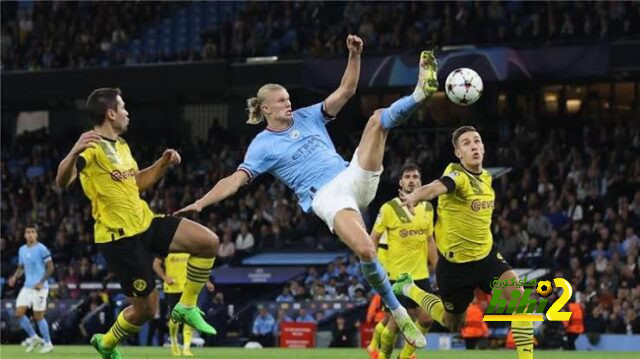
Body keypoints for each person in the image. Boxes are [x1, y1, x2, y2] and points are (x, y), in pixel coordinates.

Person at [176, 35, 439, 348]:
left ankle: (421, 93)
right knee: (367, 251)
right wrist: (202, 202)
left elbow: (346, 91)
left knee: (376, 120)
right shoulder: (261, 146)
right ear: (265, 108)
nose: (289, 104)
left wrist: (354, 55)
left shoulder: (308, 115)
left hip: (351, 175)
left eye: (289, 99)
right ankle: (398, 311)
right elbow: (235, 180)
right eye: (283, 101)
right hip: (327, 197)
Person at [55, 88, 220, 359]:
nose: (127, 113)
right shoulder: (92, 148)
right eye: (123, 108)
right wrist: (73, 151)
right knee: (147, 310)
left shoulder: (121, 146)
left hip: (145, 223)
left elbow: (137, 183)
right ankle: (106, 343)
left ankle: (187, 305)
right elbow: (62, 181)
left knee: (208, 242)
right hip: (119, 239)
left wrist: (163, 162)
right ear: (110, 113)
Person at [397, 126, 535, 359]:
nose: (474, 146)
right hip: (455, 268)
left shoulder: (488, 178)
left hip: (487, 257)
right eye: (466, 143)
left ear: (483, 147)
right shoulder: (457, 175)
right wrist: (414, 196)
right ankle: (410, 288)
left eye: (477, 141)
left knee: (520, 300)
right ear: (458, 153)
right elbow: (436, 187)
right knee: (453, 324)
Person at [370, 164, 438, 359]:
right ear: (400, 182)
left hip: (421, 275)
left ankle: (405, 356)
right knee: (395, 322)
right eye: (407, 177)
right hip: (397, 276)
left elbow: (429, 239)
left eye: (415, 177)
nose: (411, 180)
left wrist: (438, 269)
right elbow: (373, 238)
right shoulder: (389, 208)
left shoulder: (428, 207)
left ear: (420, 181)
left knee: (426, 318)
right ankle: (382, 355)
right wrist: (374, 269)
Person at [153, 254, 214, 356]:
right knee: (174, 318)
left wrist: (207, 282)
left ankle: (186, 347)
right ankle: (173, 342)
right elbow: (156, 264)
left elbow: (199, 267)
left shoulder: (190, 247)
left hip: (188, 286)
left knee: (189, 317)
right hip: (172, 288)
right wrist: (165, 277)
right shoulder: (167, 247)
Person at [7, 224, 54, 353]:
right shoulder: (21, 249)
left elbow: (51, 267)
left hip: (40, 288)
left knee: (38, 316)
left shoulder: (42, 249)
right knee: (18, 314)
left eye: (33, 232)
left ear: (36, 234)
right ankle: (34, 337)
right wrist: (15, 277)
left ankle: (48, 343)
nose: (30, 234)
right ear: (24, 235)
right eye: (28, 232)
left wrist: (41, 282)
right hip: (27, 287)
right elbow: (22, 267)